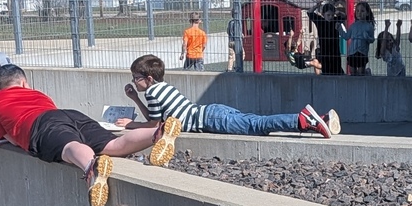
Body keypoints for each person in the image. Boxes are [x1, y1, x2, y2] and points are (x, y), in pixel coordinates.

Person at [0, 63, 180, 206]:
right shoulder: (39, 94)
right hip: (69, 114)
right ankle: (157, 133)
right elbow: (53, 113)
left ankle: (91, 167)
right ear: (24, 82)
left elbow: (6, 136)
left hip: (38, 124)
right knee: (112, 144)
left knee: (69, 146)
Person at [117, 53, 340, 139]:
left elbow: (153, 124)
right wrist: (135, 99)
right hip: (213, 113)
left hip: (211, 119)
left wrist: (130, 125)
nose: (134, 82)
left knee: (258, 125)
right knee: (254, 122)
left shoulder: (153, 93)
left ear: (148, 78)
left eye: (136, 78)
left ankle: (302, 120)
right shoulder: (163, 87)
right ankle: (321, 119)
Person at [306, 0, 344, 75]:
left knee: (337, 70)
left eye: (332, 15)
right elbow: (309, 13)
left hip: (335, 51)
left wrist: (338, 12)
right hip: (324, 51)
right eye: (328, 15)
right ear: (323, 14)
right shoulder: (320, 21)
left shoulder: (335, 20)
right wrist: (317, 6)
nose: (330, 17)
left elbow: (345, 16)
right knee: (326, 70)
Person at [342, 1, 375, 76]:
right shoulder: (353, 26)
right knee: (352, 72)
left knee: (361, 73)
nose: (359, 13)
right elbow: (346, 36)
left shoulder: (369, 26)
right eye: (357, 11)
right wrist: (340, 29)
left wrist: (367, 37)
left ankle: (366, 73)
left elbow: (372, 40)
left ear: (367, 13)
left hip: (362, 52)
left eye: (362, 11)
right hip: (352, 52)